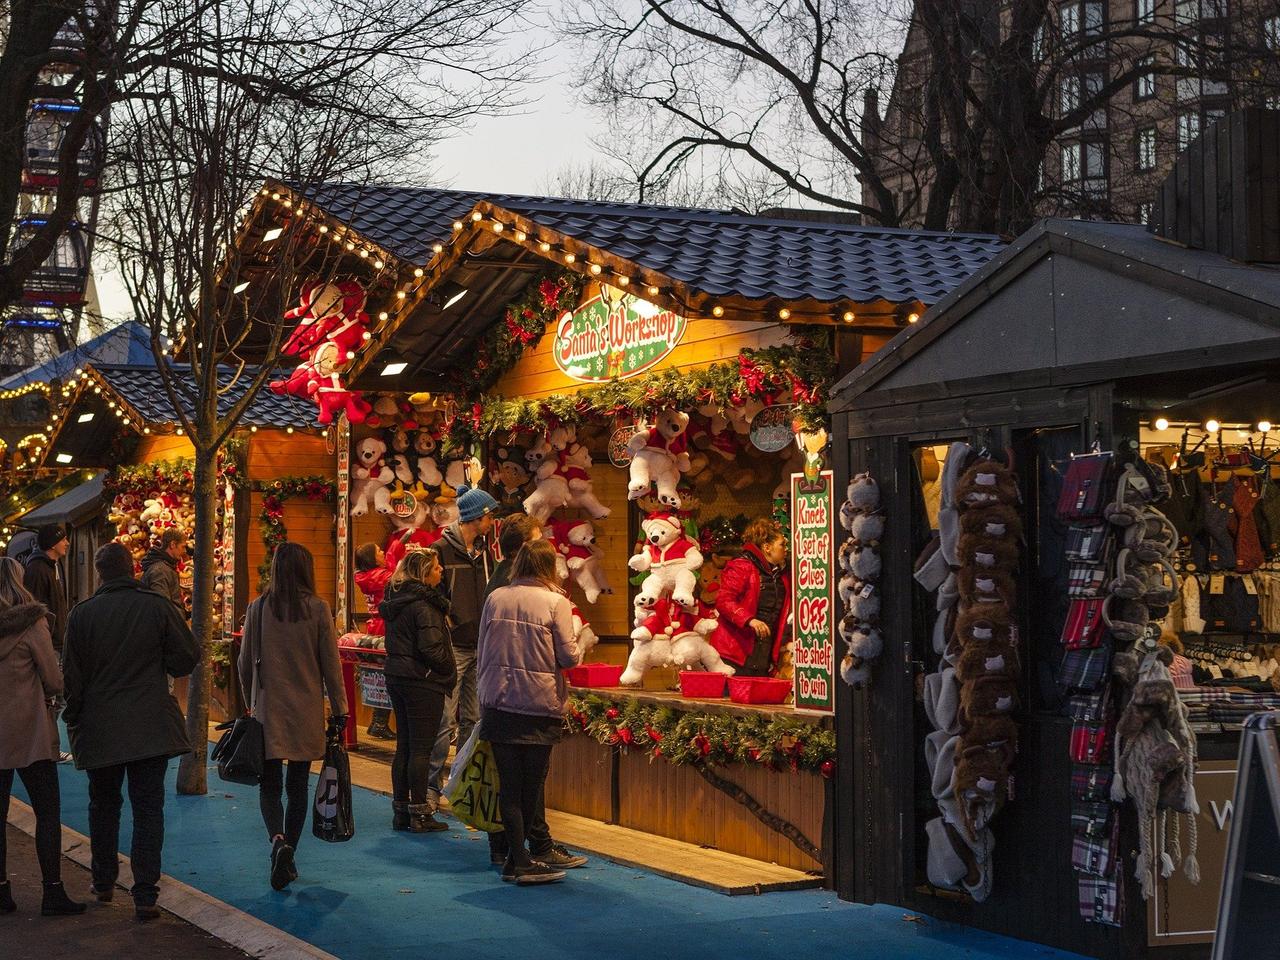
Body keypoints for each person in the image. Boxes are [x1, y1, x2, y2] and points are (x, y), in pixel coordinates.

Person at [62, 542, 198, 922]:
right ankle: (144, 894)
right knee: (148, 809)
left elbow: (71, 676)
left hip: (101, 726)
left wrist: (74, 717)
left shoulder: (82, 615)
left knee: (103, 806)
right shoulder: (156, 607)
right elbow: (188, 655)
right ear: (132, 569)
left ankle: (104, 882)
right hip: (149, 726)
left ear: (100, 574)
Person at [239, 542, 347, 892]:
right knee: (297, 787)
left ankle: (277, 840)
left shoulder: (257, 608)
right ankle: (290, 854)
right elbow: (331, 665)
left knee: (269, 786)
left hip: (267, 710)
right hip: (306, 710)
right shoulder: (318, 609)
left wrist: (250, 702)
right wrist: (340, 710)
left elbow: (244, 663)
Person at [482, 514, 586, 872]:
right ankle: (521, 859)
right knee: (531, 787)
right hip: (537, 703)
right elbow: (569, 656)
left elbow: (483, 647)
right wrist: (580, 643)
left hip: (498, 701)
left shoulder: (496, 597)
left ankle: (515, 857)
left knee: (509, 787)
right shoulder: (555, 602)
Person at [0, 557, 84, 917]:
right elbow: (53, 678)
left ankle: (2, 891)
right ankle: (52, 890)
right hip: (30, 732)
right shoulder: (32, 623)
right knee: (47, 813)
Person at [425, 484, 498, 811]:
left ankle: (462, 786)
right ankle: (430, 786)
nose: (492, 520)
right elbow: (431, 590)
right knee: (444, 720)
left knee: (473, 717)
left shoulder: (487, 553)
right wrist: (449, 617)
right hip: (454, 645)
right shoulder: (441, 549)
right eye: (488, 515)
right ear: (476, 517)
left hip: (481, 643)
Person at [380, 548, 455, 833]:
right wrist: (448, 668)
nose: (441, 572)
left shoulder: (396, 598)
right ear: (424, 573)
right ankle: (420, 814)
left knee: (405, 747)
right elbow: (431, 647)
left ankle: (401, 811)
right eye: (437, 568)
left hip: (397, 676)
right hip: (422, 680)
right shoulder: (425, 605)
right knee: (421, 749)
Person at [709, 518, 791, 677]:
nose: (785, 549)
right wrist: (749, 620)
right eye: (782, 545)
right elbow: (724, 600)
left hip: (763, 650)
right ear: (767, 547)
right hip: (736, 651)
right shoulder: (742, 566)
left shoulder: (781, 574)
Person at [25, 524, 70, 762]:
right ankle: (48, 749)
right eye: (63, 539)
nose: (67, 543)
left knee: (54, 697)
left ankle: (50, 748)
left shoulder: (51, 567)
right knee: (52, 696)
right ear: (53, 543)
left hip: (55, 641)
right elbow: (34, 610)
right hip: (48, 643)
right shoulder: (38, 570)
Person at [354, 543, 394, 740]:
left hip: (374, 626)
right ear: (372, 558)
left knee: (379, 676)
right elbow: (397, 578)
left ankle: (378, 722)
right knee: (386, 677)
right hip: (385, 627)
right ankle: (379, 722)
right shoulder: (381, 576)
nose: (383, 553)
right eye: (379, 551)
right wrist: (395, 553)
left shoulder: (363, 576)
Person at [484, 513, 542, 603]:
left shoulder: (509, 571)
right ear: (523, 546)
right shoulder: (512, 582)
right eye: (537, 543)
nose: (543, 547)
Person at [140, 529, 187, 611]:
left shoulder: (166, 567)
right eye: (182, 547)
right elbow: (162, 608)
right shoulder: (160, 571)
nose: (184, 551)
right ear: (172, 545)